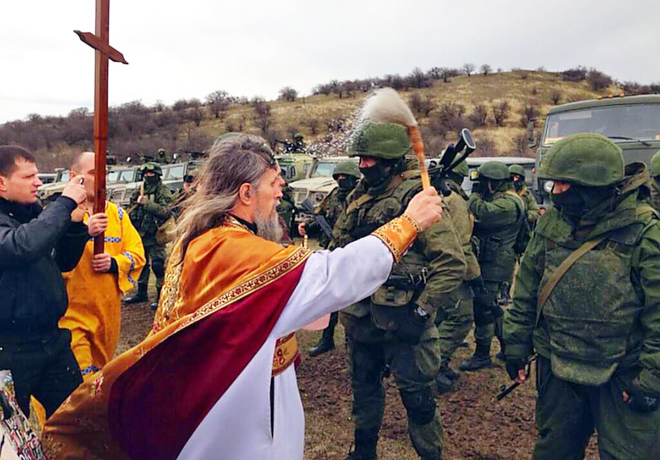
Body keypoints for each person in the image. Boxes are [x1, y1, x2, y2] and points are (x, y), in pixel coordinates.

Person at [41, 133, 443, 460]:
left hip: (217, 388)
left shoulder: (208, 237)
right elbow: (330, 276)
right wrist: (408, 223)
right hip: (236, 406)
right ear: (246, 193)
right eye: (273, 184)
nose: (280, 193)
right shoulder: (230, 248)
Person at [504, 133, 660, 459]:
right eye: (553, 184)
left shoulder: (645, 232)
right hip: (558, 364)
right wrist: (516, 345)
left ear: (593, 188)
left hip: (623, 370)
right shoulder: (552, 225)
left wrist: (652, 378)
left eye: (564, 185)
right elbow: (527, 291)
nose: (555, 192)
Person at [333, 121, 466, 460]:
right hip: (361, 321)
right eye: (360, 158)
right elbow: (340, 246)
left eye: (371, 159)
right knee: (364, 393)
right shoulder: (357, 196)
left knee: (419, 401)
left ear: (391, 160)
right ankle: (363, 451)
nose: (363, 165)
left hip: (405, 322)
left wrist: (421, 314)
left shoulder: (416, 198)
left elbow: (451, 263)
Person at [0, 145, 90, 418]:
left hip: (51, 341)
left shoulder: (32, 213)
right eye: (28, 177)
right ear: (2, 183)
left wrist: (74, 226)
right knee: (14, 435)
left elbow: (63, 262)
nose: (38, 182)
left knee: (75, 423)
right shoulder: (22, 224)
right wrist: (63, 205)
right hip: (8, 352)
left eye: (37, 175)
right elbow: (20, 247)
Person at [60, 152, 146, 377]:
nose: (101, 180)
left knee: (99, 382)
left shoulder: (116, 214)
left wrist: (114, 263)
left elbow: (138, 254)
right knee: (76, 386)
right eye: (93, 173)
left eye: (104, 174)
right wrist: (81, 233)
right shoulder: (59, 215)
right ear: (73, 176)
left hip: (106, 316)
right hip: (71, 317)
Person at [431, 155, 493, 393]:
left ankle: (438, 362)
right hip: (451, 269)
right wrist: (475, 277)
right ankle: (431, 368)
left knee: (440, 317)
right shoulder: (455, 200)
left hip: (435, 267)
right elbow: (460, 244)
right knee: (460, 319)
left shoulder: (434, 196)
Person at [460, 161, 524, 372]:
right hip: (493, 260)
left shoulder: (508, 204)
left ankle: (482, 354)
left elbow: (482, 212)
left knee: (483, 309)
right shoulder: (506, 199)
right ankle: (509, 348)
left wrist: (474, 194)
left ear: (493, 184)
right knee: (492, 307)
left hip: (496, 263)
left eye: (484, 183)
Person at [299, 160, 361, 357]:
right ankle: (327, 338)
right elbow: (319, 214)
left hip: (354, 253)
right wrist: (308, 225)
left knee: (354, 299)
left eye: (346, 178)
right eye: (339, 177)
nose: (342, 181)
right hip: (332, 252)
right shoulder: (334, 195)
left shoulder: (360, 196)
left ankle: (354, 341)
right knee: (331, 297)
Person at [124, 162, 173, 309]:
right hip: (140, 232)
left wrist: (147, 204)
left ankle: (161, 296)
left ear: (157, 175)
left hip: (155, 233)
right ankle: (141, 293)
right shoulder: (140, 188)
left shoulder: (162, 190)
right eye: (145, 174)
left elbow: (167, 211)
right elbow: (132, 205)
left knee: (158, 265)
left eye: (151, 174)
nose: (147, 176)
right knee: (142, 264)